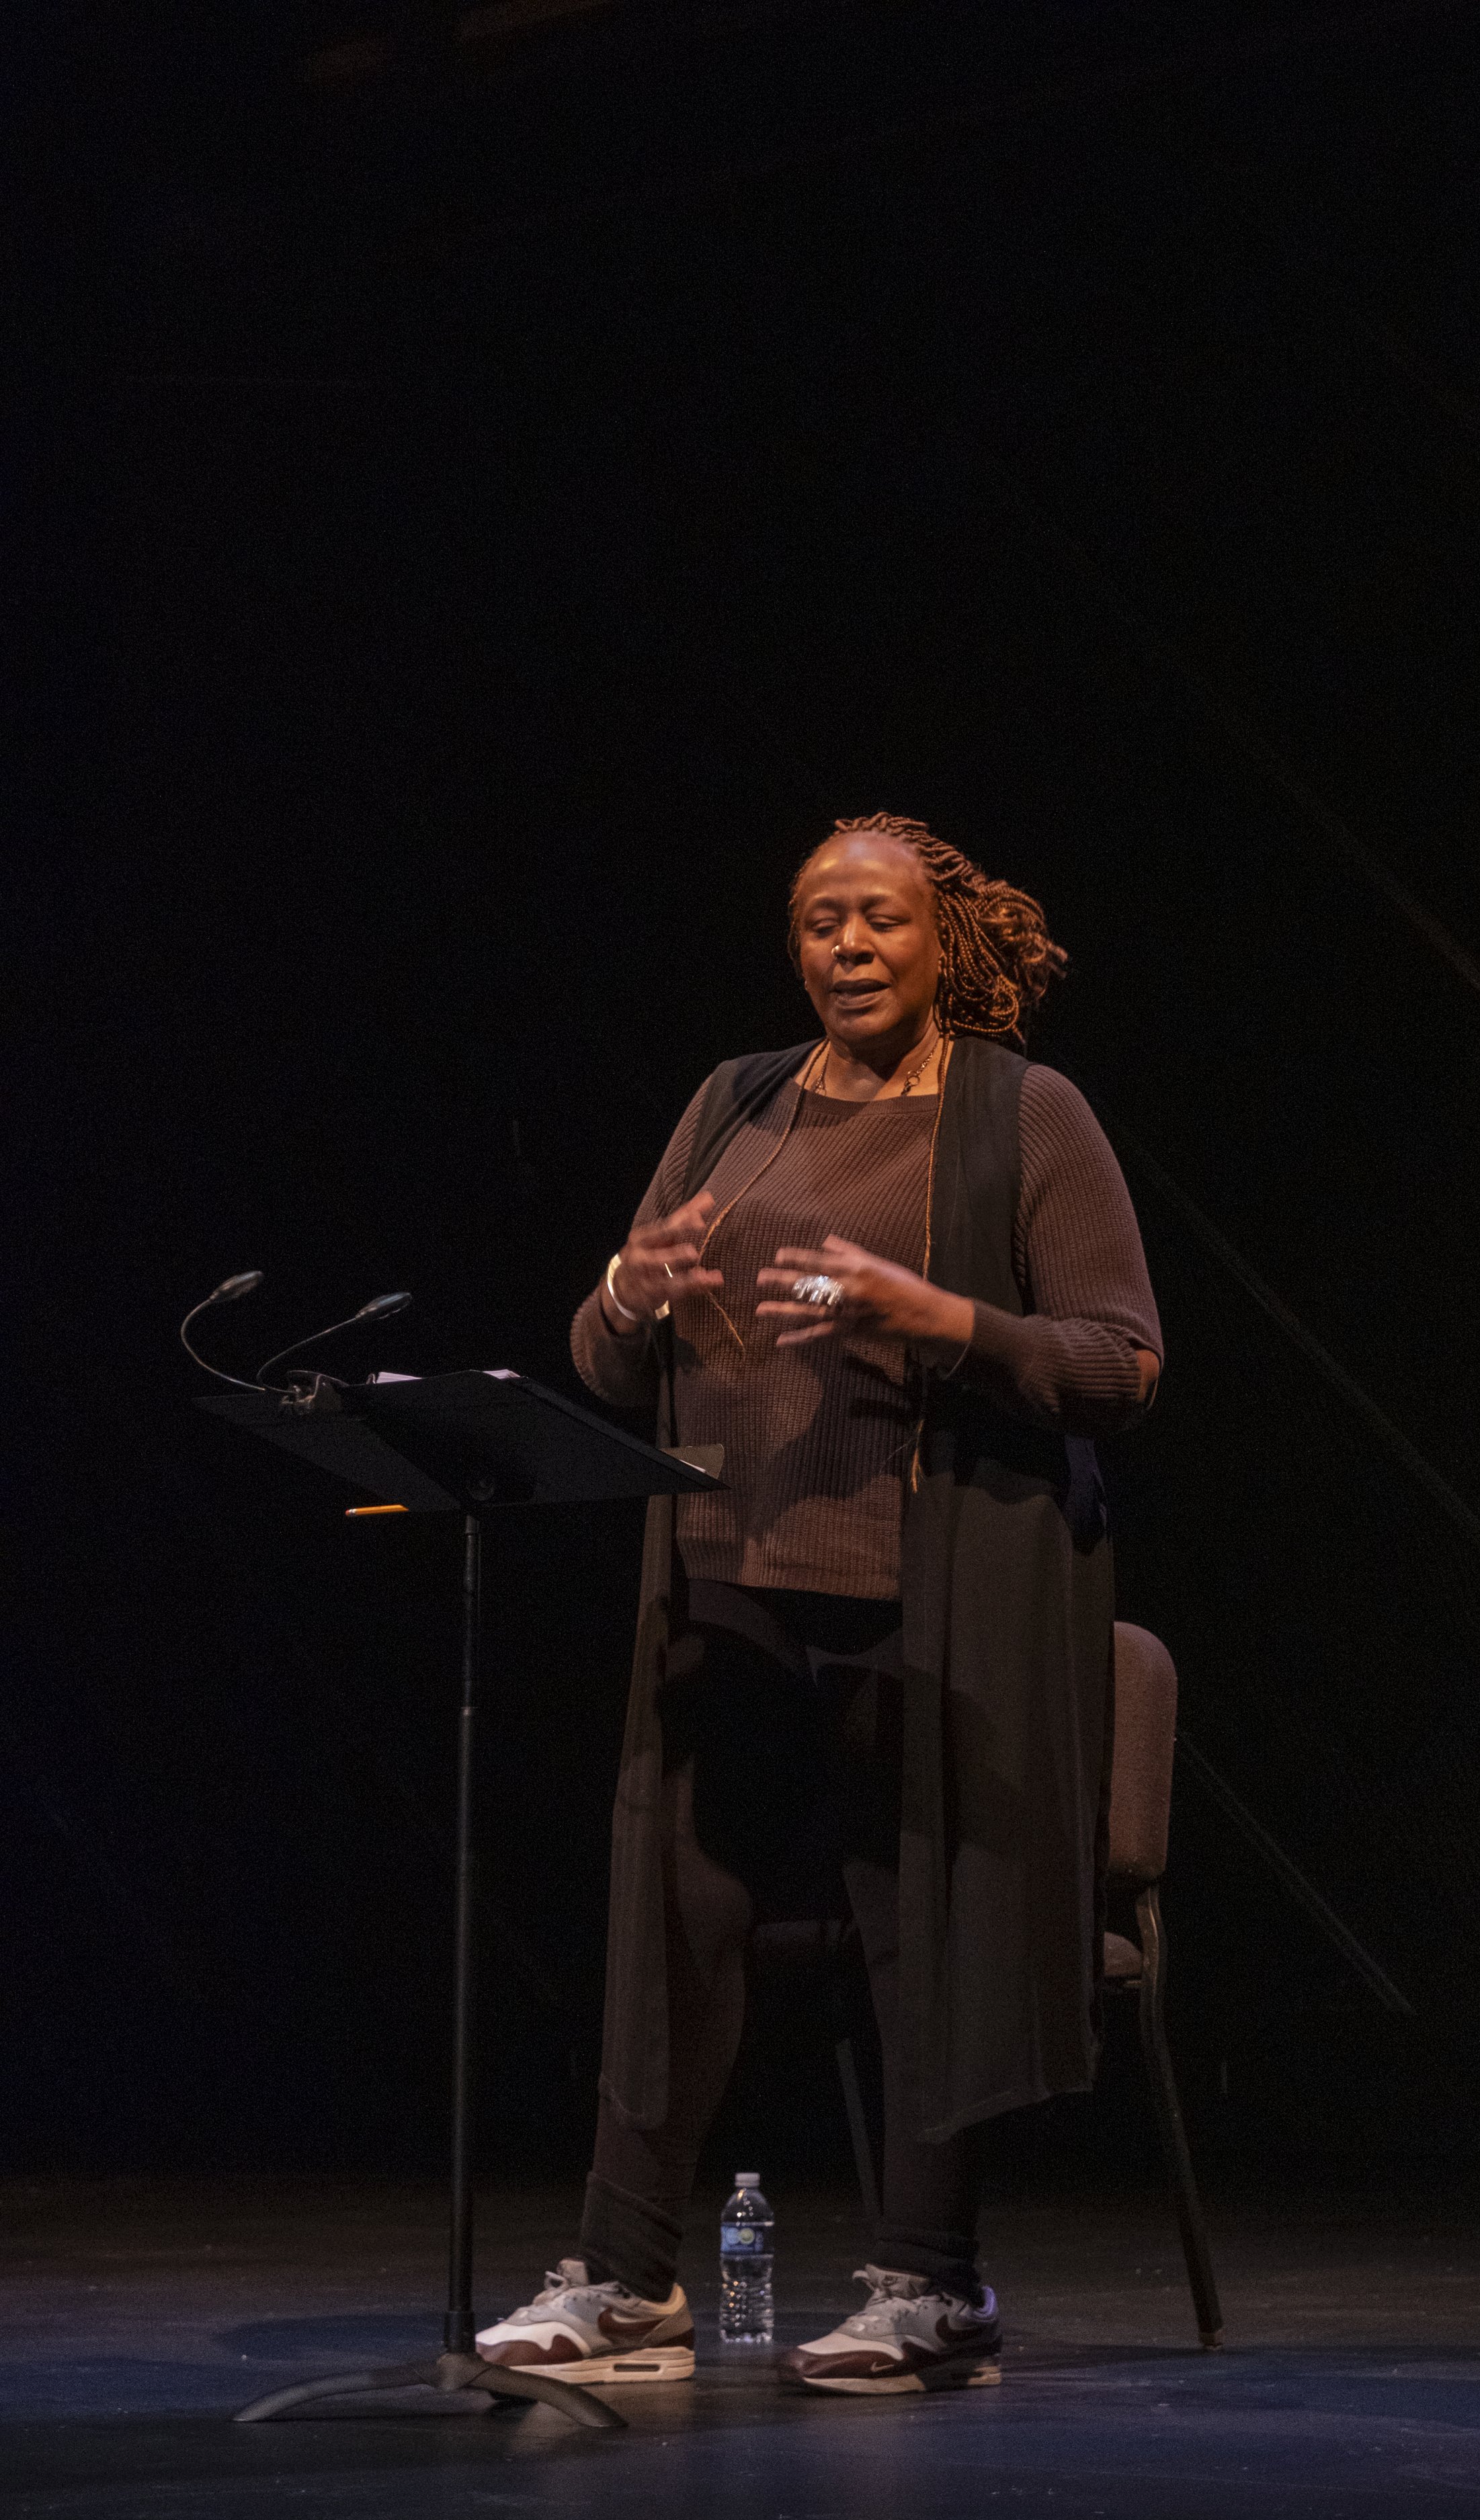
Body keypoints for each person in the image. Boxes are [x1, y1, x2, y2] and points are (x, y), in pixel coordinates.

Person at [476, 813, 1161, 2396]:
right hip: (723, 1580)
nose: (844, 946)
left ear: (943, 939)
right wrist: (624, 1297)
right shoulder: (734, 1100)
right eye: (815, 921)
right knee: (672, 1929)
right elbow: (606, 1361)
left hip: (928, 1598)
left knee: (915, 1932)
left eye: (877, 919)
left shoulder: (1023, 1112)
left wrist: (939, 1318)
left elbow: (1121, 1362)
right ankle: (626, 2280)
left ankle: (932, 2286)